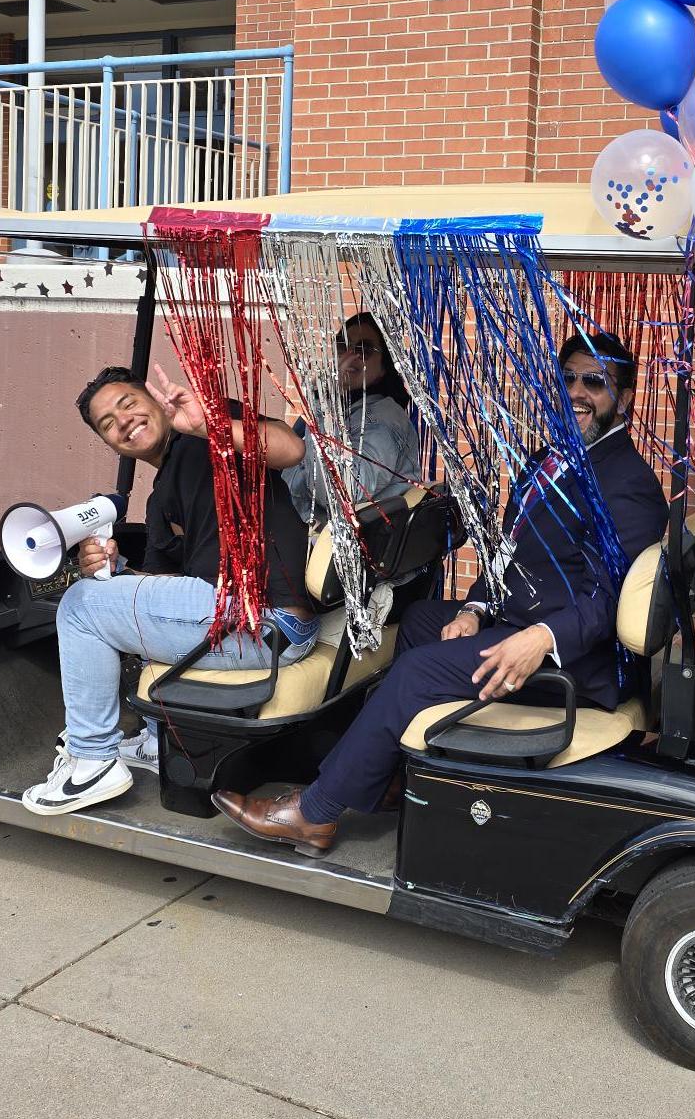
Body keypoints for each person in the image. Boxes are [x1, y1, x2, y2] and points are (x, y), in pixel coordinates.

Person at [214, 330, 669, 855]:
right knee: (422, 621)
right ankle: (393, 774)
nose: (576, 392)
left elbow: (607, 598)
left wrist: (540, 639)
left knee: (416, 672)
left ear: (627, 396)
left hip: (575, 661)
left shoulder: (625, 481)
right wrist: (475, 608)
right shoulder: (554, 456)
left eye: (595, 381)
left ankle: (316, 813)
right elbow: (509, 549)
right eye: (567, 378)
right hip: (525, 620)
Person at [22, 363, 319, 818]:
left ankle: (91, 760)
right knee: (94, 599)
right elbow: (163, 595)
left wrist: (210, 427)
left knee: (80, 608)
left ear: (157, 402)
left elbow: (291, 450)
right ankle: (154, 738)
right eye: (108, 423)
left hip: (264, 620)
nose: (123, 421)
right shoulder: (160, 500)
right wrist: (113, 569)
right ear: (108, 442)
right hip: (239, 621)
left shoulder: (211, 431)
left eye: (128, 404)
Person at [281, 312, 421, 525]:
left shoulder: (383, 420)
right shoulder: (336, 410)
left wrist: (329, 398)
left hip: (330, 548)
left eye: (364, 350)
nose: (349, 356)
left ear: (385, 366)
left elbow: (340, 492)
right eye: (341, 345)